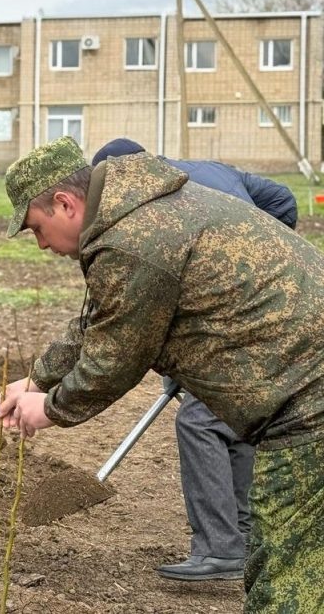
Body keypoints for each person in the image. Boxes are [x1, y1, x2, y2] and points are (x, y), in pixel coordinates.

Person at [0, 136, 324, 612]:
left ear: (65, 204)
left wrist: (49, 408)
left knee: (286, 580)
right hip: (300, 389)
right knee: (292, 558)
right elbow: (101, 318)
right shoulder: (139, 210)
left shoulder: (134, 239)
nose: (42, 244)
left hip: (308, 404)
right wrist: (38, 378)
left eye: (36, 229)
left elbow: (114, 360)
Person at [92, 138, 298, 582]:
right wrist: (271, 250)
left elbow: (152, 291)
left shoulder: (159, 205)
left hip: (248, 317)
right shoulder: (203, 170)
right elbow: (283, 199)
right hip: (264, 307)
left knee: (200, 421)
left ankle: (221, 549)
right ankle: (241, 536)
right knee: (232, 417)